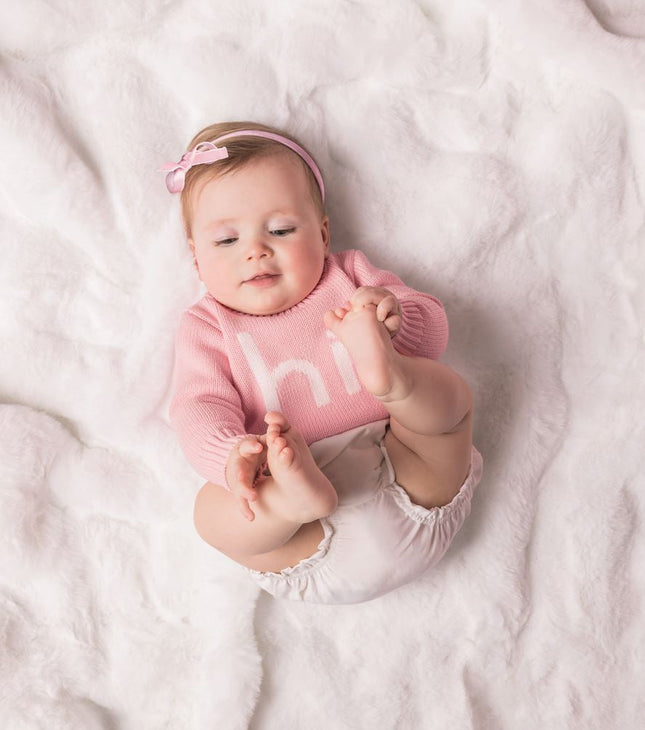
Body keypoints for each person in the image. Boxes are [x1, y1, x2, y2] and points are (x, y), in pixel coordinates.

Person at [162, 121, 483, 604]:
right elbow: (197, 406)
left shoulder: (350, 278)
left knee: (446, 398)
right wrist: (233, 456)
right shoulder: (208, 327)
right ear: (196, 257)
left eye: (281, 230)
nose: (256, 250)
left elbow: (432, 331)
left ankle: (391, 379)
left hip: (406, 468)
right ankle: (288, 501)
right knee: (213, 512)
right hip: (303, 529)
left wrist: (392, 319)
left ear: (323, 232)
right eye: (226, 241)